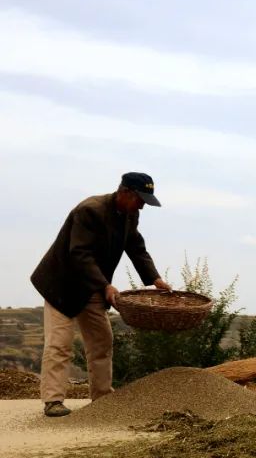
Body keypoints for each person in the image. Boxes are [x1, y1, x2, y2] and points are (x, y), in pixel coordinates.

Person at [30, 172, 171, 417]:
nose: (142, 206)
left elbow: (136, 247)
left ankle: (103, 398)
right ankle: (53, 400)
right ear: (125, 192)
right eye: (140, 200)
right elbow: (79, 254)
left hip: (93, 286)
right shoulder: (90, 210)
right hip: (62, 285)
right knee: (60, 344)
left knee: (101, 342)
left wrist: (155, 279)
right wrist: (106, 285)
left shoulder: (130, 214)